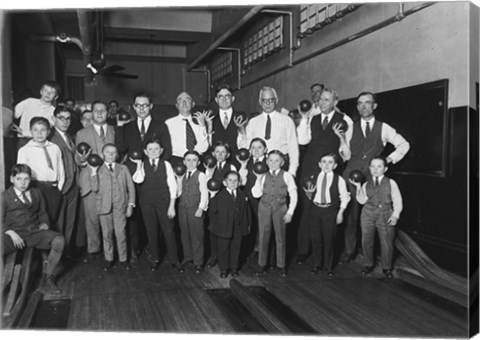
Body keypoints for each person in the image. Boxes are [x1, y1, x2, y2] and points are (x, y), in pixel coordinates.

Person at [341, 92, 410, 264]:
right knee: (351, 216)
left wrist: (389, 159)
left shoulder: (384, 128)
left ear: (374, 106)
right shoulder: (350, 128)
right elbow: (345, 154)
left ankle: (373, 257)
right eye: (360, 103)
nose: (363, 106)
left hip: (372, 178)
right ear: (357, 107)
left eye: (367, 103)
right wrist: (341, 141)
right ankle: (350, 251)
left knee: (373, 217)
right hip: (351, 175)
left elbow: (404, 144)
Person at [295, 88, 352, 265]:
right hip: (311, 168)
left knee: (328, 212)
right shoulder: (312, 118)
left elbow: (347, 154)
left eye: (327, 100)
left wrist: (341, 138)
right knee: (306, 210)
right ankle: (303, 250)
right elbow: (302, 141)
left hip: (331, 170)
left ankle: (327, 257)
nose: (322, 103)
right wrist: (304, 117)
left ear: (335, 102)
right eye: (320, 100)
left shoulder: (345, 120)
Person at [116, 93, 172, 260]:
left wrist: (156, 171)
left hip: (153, 177)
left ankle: (154, 247)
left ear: (151, 106)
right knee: (133, 212)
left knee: (154, 213)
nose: (141, 108)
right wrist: (119, 127)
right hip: (133, 175)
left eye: (145, 105)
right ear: (133, 107)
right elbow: (120, 148)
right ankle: (135, 246)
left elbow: (166, 151)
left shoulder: (160, 125)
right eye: (138, 105)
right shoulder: (127, 126)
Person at [2, 164, 65, 294]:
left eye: (26, 179)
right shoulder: (4, 197)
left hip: (33, 233)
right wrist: (11, 233)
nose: (23, 183)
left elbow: (43, 213)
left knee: (59, 240)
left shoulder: (36, 193)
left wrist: (44, 224)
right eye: (19, 179)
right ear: (11, 179)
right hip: (12, 235)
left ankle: (48, 279)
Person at [131, 139, 184, 273]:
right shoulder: (142, 165)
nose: (153, 152)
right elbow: (138, 179)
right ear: (145, 152)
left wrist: (172, 206)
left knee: (169, 231)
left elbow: (173, 186)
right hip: (147, 203)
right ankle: (155, 259)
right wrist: (138, 165)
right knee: (151, 231)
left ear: (161, 151)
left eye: (156, 149)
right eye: (150, 149)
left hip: (164, 202)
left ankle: (174, 260)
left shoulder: (166, 164)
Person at [350, 156, 403, 279]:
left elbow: (397, 200)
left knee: (386, 242)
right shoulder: (366, 184)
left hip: (385, 214)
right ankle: (368, 264)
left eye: (379, 166)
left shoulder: (391, 183)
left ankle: (387, 267)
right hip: (367, 214)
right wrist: (358, 187)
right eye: (373, 166)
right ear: (369, 168)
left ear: (385, 169)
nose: (375, 169)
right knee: (366, 240)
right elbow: (362, 201)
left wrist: (395, 215)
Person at [76, 100, 115, 260]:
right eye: (96, 110)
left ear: (108, 113)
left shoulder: (115, 131)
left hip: (110, 180)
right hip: (88, 179)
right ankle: (93, 251)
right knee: (91, 218)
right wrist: (83, 159)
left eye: (103, 110)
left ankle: (110, 251)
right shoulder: (82, 133)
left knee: (109, 217)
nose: (99, 113)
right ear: (91, 113)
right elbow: (77, 160)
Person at [88, 144, 135, 271]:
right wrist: (93, 172)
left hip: (120, 205)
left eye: (113, 153)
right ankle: (109, 259)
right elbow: (94, 188)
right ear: (103, 154)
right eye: (107, 152)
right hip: (104, 206)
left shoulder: (123, 168)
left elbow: (131, 187)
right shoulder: (97, 168)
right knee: (107, 234)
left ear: (117, 155)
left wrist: (130, 205)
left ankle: (123, 259)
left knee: (121, 233)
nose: (110, 155)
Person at [252, 150, 298, 277]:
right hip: (264, 208)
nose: (273, 163)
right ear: (266, 161)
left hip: (280, 208)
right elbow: (256, 194)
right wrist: (258, 179)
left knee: (280, 237)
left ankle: (281, 265)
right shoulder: (262, 174)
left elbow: (294, 195)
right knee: (263, 236)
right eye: (270, 160)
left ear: (282, 162)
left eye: (276, 160)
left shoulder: (287, 175)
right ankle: (261, 264)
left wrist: (290, 212)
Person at [304, 153, 350, 276]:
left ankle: (328, 266)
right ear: (319, 164)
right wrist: (309, 195)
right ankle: (316, 265)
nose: (326, 165)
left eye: (330, 162)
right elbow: (310, 194)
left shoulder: (339, 179)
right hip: (315, 210)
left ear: (335, 166)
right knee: (316, 239)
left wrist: (340, 213)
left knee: (329, 239)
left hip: (330, 211)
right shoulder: (313, 178)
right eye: (324, 162)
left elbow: (345, 197)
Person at [236, 86, 299, 177]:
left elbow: (293, 148)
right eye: (264, 100)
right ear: (259, 101)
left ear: (276, 100)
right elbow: (246, 147)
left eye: (271, 100)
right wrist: (242, 131)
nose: (268, 103)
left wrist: (292, 171)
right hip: (258, 167)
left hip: (281, 166)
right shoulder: (252, 122)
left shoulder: (287, 121)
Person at [17, 116, 65, 225]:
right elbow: (20, 175)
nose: (39, 133)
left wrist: (59, 189)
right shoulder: (24, 150)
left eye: (43, 130)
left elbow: (60, 170)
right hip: (35, 188)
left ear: (48, 132)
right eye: (35, 130)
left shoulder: (55, 148)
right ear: (31, 131)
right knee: (38, 222)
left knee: (52, 221)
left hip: (53, 190)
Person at [204, 141, 241, 268]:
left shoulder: (231, 167)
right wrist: (209, 172)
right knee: (213, 229)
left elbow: (236, 184)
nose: (220, 155)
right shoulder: (208, 167)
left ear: (228, 154)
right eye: (217, 152)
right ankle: (214, 256)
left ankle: (225, 259)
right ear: (213, 153)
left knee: (226, 232)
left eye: (223, 152)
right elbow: (205, 185)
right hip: (213, 203)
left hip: (227, 205)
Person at [208, 171, 250, 278]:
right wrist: (212, 196)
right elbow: (212, 210)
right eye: (230, 180)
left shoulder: (242, 195)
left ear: (239, 182)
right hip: (223, 227)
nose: (232, 183)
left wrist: (247, 225)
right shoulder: (219, 195)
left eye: (235, 180)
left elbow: (246, 211)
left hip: (238, 226)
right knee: (223, 248)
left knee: (236, 247)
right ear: (224, 182)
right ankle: (223, 268)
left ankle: (234, 267)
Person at [49, 106, 79, 256]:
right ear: (54, 119)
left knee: (70, 221)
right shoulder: (51, 137)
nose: (65, 121)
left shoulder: (70, 137)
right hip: (61, 186)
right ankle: (57, 256)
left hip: (73, 184)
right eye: (61, 118)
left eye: (68, 118)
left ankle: (66, 252)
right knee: (59, 222)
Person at [176, 151, 209, 274]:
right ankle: (188, 257)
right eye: (188, 160)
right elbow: (178, 193)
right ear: (184, 162)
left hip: (195, 209)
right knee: (184, 234)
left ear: (199, 162)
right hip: (182, 209)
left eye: (194, 160)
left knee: (197, 236)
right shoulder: (181, 174)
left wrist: (201, 208)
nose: (191, 163)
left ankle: (198, 262)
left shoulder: (201, 175)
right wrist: (179, 181)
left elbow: (204, 193)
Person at [165, 92, 210, 165]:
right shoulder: (168, 123)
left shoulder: (200, 122)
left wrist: (203, 126)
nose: (184, 102)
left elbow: (203, 148)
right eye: (180, 100)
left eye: (187, 99)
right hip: (176, 161)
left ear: (193, 104)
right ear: (176, 105)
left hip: (197, 162)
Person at [14, 80, 61, 149]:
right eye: (45, 90)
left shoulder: (54, 112)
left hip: (40, 143)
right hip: (23, 141)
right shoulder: (29, 102)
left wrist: (24, 132)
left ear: (56, 97)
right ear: (41, 92)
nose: (48, 94)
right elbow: (13, 114)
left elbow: (46, 129)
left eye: (52, 92)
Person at [206, 84, 242, 167]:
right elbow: (206, 146)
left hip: (237, 164)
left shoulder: (241, 118)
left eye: (227, 96)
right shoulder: (209, 119)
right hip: (216, 165)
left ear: (232, 99)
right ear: (216, 99)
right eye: (220, 97)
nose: (224, 99)